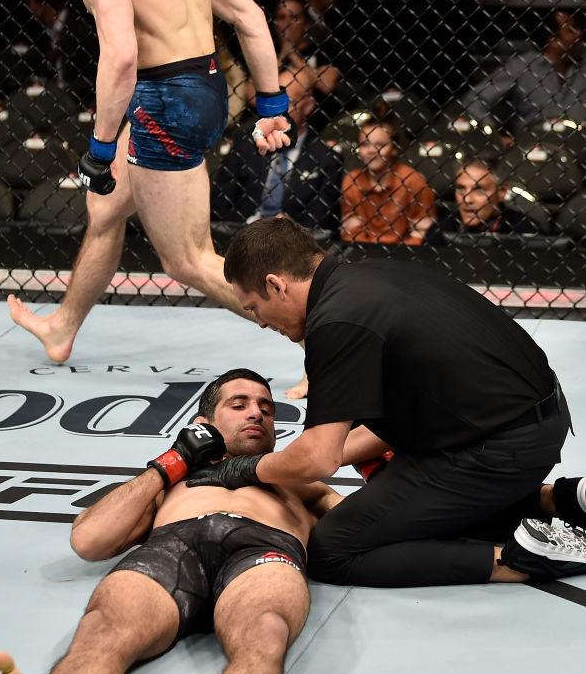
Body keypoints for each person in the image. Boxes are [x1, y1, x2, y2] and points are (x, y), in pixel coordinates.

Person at [5, 0, 292, 363]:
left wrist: (100, 146)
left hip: (165, 102)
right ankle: (63, 327)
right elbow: (250, 18)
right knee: (108, 209)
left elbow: (119, 59)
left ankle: (324, 342)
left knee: (188, 259)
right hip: (205, 85)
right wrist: (273, 106)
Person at [0, 368, 347, 674]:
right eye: (238, 405)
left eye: (266, 407)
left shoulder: (299, 479)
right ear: (204, 424)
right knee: (106, 626)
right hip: (173, 548)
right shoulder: (174, 479)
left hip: (262, 549)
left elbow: (359, 527)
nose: (257, 414)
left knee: (264, 627)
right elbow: (89, 539)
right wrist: (170, 465)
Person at [186, 218, 586, 588]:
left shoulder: (335, 323)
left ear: (276, 285)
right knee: (398, 497)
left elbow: (318, 460)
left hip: (499, 447)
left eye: (254, 307)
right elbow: (377, 427)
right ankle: (561, 500)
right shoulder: (368, 274)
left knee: (334, 550)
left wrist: (245, 468)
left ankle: (520, 560)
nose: (259, 322)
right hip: (527, 418)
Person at [212, 67, 343, 231]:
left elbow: (322, 218)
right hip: (241, 235)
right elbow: (220, 203)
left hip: (295, 245)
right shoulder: (245, 145)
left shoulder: (325, 157)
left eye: (286, 102)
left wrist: (290, 229)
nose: (276, 110)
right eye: (273, 101)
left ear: (308, 106)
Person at [461, 10, 586, 135]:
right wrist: (495, 136)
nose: (579, 34)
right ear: (553, 39)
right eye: (571, 30)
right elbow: (474, 100)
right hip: (532, 146)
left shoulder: (582, 68)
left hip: (578, 146)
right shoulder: (523, 66)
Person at [340, 111, 436, 245]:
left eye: (380, 145)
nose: (371, 150)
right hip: (361, 254)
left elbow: (421, 234)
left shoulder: (412, 180)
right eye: (365, 144)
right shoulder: (352, 180)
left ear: (394, 148)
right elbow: (350, 233)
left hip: (405, 255)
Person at [424, 147, 542, 245]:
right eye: (461, 189)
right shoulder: (441, 230)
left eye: (479, 190)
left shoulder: (526, 231)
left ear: (501, 192)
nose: (467, 199)